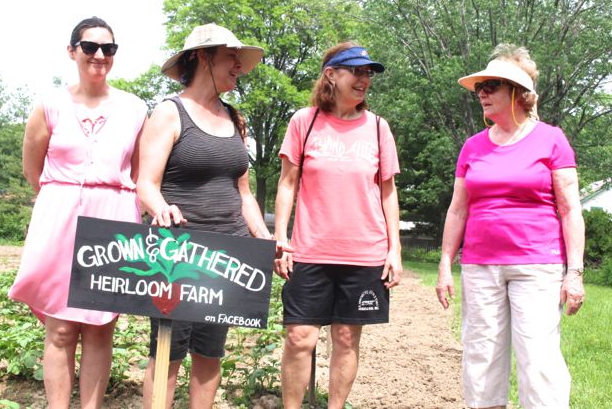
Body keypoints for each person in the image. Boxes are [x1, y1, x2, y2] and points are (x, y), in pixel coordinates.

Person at [435, 44, 585, 409]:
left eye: (491, 86)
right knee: (481, 356)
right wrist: (444, 264)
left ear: (517, 94)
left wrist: (575, 272)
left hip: (537, 264)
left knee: (538, 358)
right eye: (480, 87)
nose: (482, 93)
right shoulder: (472, 147)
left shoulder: (551, 139)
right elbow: (458, 210)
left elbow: (570, 210)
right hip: (480, 265)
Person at [8, 17, 147, 408]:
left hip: (113, 224)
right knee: (61, 329)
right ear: (72, 52)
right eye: (90, 47)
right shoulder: (49, 105)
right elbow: (32, 170)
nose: (99, 56)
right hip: (60, 218)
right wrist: (64, 199)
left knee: (100, 327)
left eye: (109, 49)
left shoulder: (136, 109)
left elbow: (138, 172)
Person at [136, 23, 272, 409]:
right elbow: (145, 182)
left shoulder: (234, 117)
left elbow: (243, 192)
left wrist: (264, 239)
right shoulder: (169, 112)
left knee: (210, 354)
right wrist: (160, 208)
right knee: (168, 354)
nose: (238, 67)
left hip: (228, 255)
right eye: (231, 57)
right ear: (202, 57)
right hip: (177, 255)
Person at [274, 42, 403, 408]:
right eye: (357, 72)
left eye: (368, 73)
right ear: (331, 74)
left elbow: (388, 192)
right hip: (311, 250)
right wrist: (280, 237)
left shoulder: (378, 128)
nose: (365, 80)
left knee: (346, 338)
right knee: (299, 337)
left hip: (364, 252)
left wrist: (394, 249)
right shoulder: (305, 120)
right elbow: (287, 183)